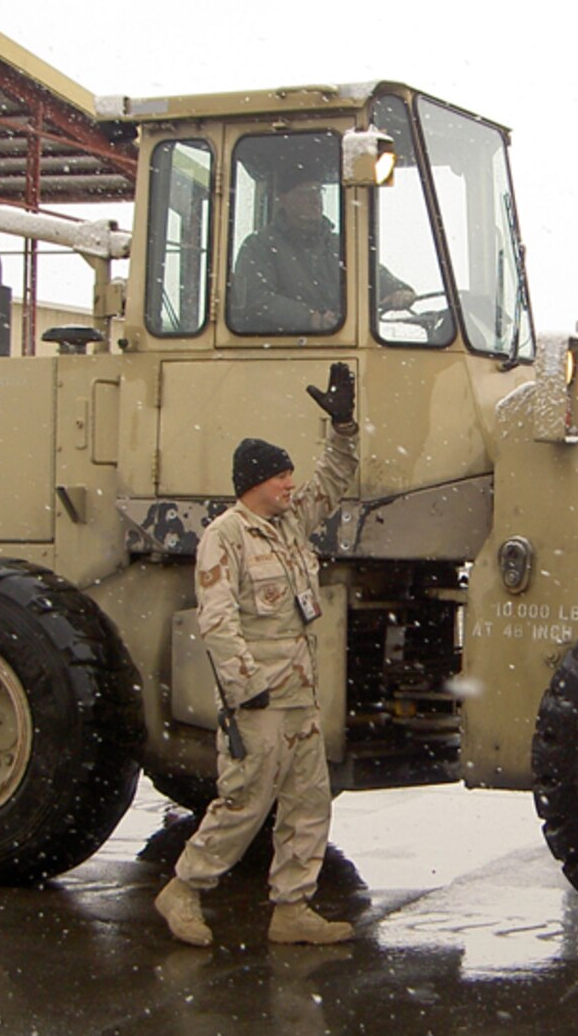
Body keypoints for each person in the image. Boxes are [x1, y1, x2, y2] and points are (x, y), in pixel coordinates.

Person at [155, 363, 360, 947]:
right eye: (282, 478)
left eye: (292, 477)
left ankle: (292, 907)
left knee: (307, 800)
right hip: (261, 695)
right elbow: (217, 621)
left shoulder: (290, 523)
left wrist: (343, 425)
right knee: (245, 799)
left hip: (298, 691)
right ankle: (185, 890)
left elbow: (336, 474)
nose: (292, 486)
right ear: (256, 482)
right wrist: (247, 688)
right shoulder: (227, 535)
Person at [230, 175, 416, 334]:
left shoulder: (340, 245)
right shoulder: (259, 246)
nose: (315, 199)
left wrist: (398, 291)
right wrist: (310, 319)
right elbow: (256, 299)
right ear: (283, 199)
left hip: (341, 345)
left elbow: (372, 275)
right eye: (305, 193)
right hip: (282, 353)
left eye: (318, 191)